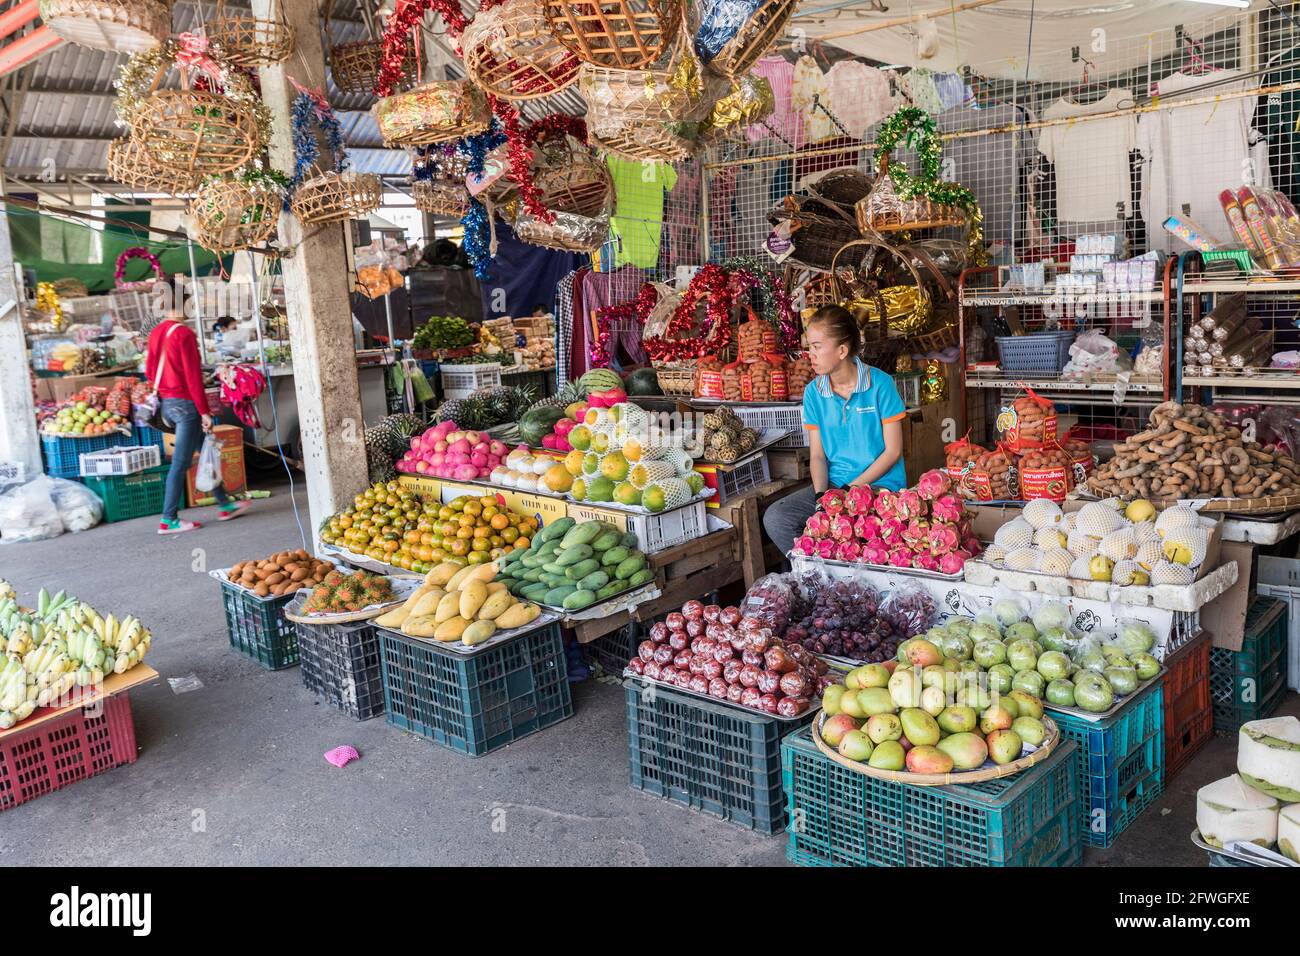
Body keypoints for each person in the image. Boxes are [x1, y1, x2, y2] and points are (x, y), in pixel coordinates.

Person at [762, 305, 907, 555]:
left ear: (842, 350)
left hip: (880, 487)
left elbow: (892, 452)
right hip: (833, 486)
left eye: (817, 346)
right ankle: (812, 573)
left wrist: (849, 492)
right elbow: (817, 456)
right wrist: (822, 497)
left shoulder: (880, 384)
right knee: (777, 518)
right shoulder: (813, 393)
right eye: (809, 346)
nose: (810, 354)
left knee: (855, 530)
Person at [145, 313, 250, 535]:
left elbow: (149, 372)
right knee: (181, 463)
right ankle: (168, 519)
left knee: (205, 451)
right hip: (185, 406)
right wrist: (204, 411)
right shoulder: (184, 333)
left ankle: (225, 505)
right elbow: (193, 377)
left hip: (166, 404)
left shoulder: (156, 332)